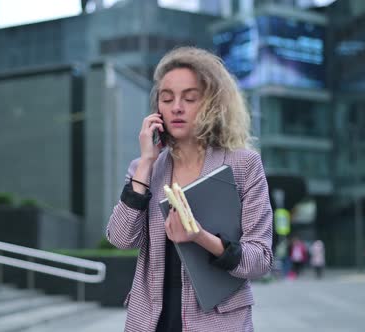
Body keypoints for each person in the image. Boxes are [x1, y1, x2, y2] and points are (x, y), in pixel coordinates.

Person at [107, 47, 273, 331]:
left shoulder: (244, 164)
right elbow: (121, 239)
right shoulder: (144, 168)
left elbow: (260, 260)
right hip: (151, 321)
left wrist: (200, 237)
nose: (177, 107)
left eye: (190, 98)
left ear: (211, 103)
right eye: (167, 98)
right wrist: (147, 163)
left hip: (219, 322)